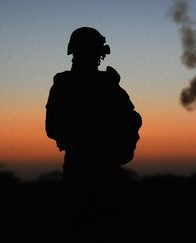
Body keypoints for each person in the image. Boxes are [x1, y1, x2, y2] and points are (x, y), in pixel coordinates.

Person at [45, 27, 142, 186]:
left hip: (90, 166)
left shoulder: (65, 85)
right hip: (91, 167)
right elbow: (53, 128)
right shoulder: (104, 84)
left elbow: (131, 119)